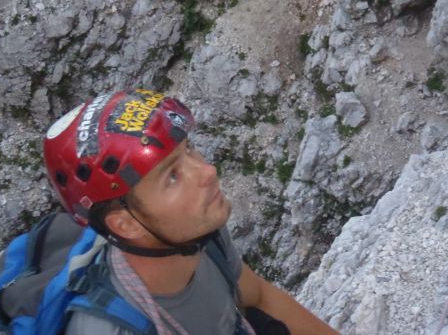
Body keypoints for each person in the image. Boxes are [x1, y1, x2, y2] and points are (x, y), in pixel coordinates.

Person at [43, 88, 339, 335]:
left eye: (189, 150)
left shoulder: (200, 235)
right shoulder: (110, 329)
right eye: (172, 176)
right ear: (125, 224)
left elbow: (258, 295)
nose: (208, 172)